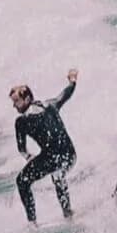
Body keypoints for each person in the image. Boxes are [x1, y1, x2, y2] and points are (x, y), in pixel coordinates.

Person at [11, 69, 80, 224]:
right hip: (70, 155)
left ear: (27, 98)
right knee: (58, 174)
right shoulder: (51, 104)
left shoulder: (22, 121)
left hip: (53, 157)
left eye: (16, 102)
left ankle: (32, 224)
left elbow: (21, 148)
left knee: (22, 181)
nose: (14, 106)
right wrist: (73, 81)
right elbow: (66, 94)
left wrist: (29, 157)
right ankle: (68, 215)